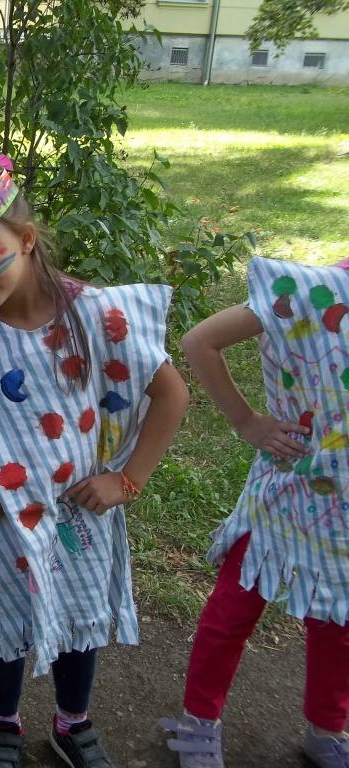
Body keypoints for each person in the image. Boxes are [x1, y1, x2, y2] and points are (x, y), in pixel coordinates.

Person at [0, 152, 188, 768]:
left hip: (84, 516)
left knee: (80, 622)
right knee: (6, 628)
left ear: (26, 239)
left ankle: (71, 723)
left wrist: (127, 480)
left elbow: (171, 394)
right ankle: (3, 724)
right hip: (4, 520)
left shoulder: (98, 315)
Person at [161, 255, 349, 768]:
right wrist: (245, 420)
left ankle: (328, 729)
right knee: (235, 607)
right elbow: (199, 340)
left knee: (338, 621)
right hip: (286, 489)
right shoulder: (309, 291)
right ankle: (198, 723)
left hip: (344, 513)